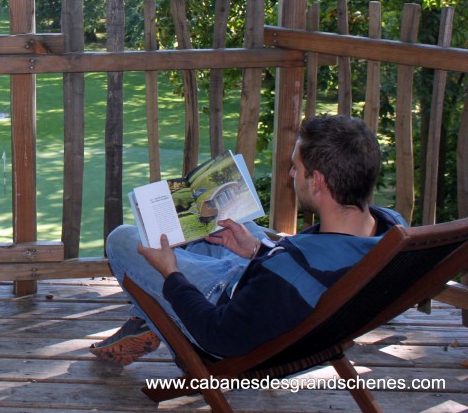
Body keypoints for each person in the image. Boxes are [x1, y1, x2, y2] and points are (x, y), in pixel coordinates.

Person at [91, 114, 406, 365]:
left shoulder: (291, 268)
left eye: (296, 168)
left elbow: (217, 335)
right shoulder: (392, 229)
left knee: (124, 240)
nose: (291, 175)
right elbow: (300, 273)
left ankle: (151, 318)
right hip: (276, 293)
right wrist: (257, 250)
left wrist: (170, 274)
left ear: (318, 181)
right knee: (211, 228)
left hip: (226, 310)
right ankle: (145, 316)